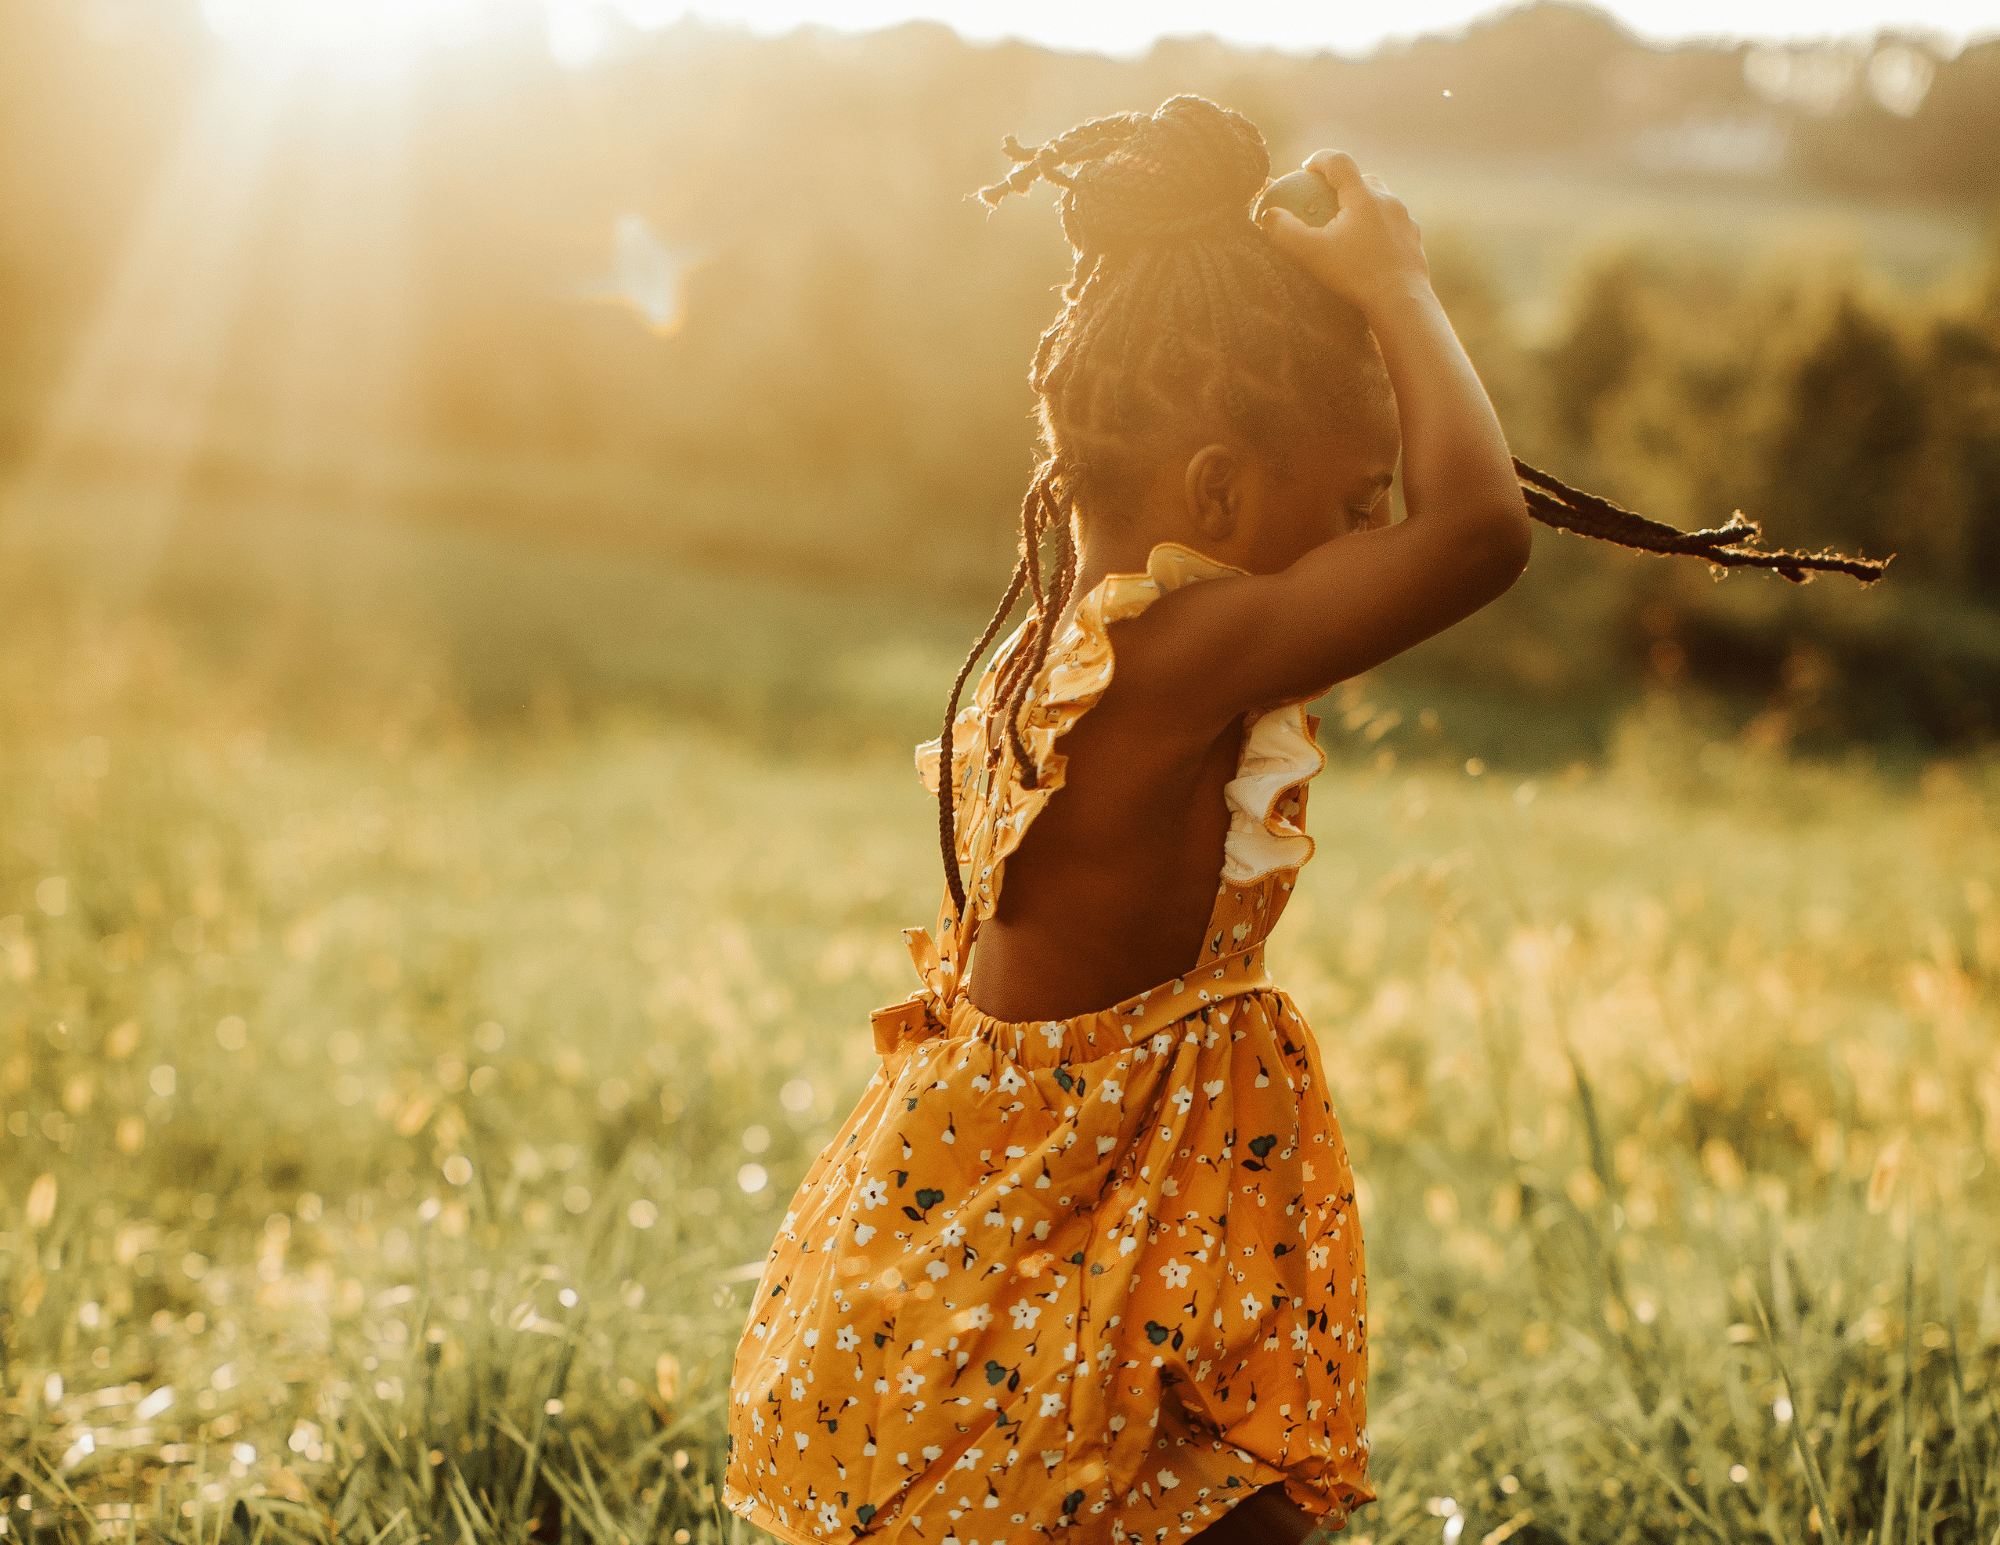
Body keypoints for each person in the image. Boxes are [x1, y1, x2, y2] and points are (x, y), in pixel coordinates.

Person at [721, 94, 1880, 1545]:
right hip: (1085, 1205)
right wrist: (1396, 285)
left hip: (1044, 1188)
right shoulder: (1172, 651)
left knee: (1191, 1505)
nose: (1366, 546)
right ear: (1216, 492)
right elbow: (1477, 534)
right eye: (1352, 504)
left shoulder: (1052, 649)